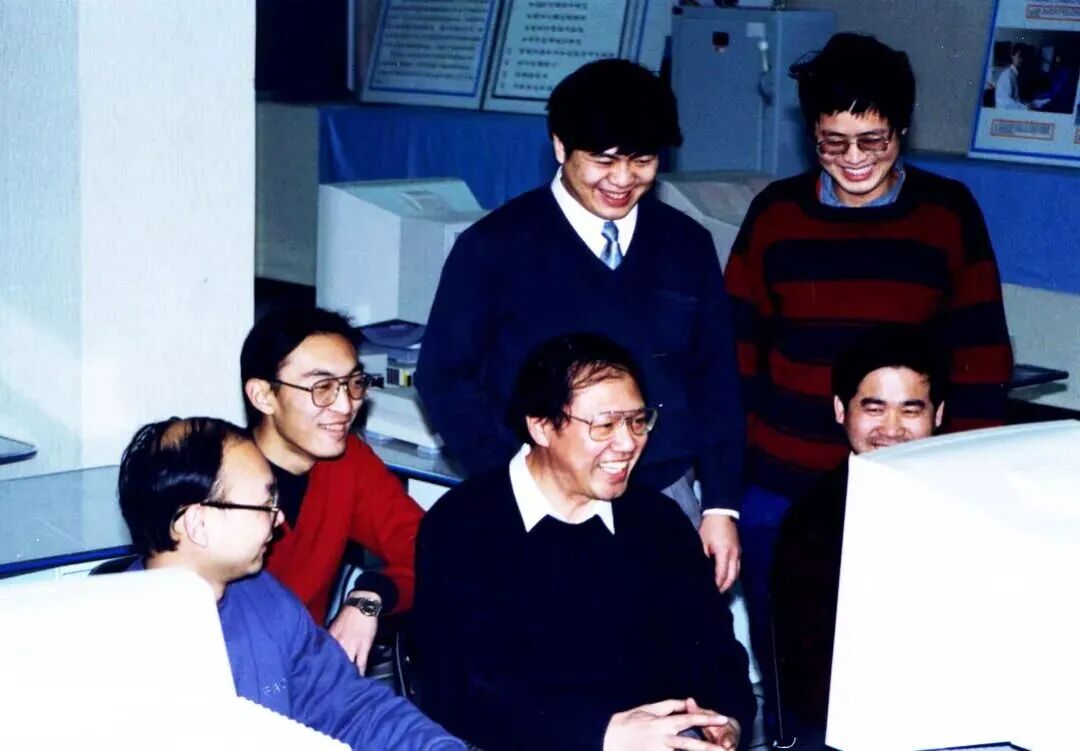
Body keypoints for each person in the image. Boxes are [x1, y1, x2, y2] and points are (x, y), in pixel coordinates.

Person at [723, 32, 1012, 739]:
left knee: (902, 678)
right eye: (833, 142)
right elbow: (734, 358)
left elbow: (981, 361)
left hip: (909, 492)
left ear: (901, 129)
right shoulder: (777, 215)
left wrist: (962, 483)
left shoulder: (947, 214)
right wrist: (732, 484)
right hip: (784, 488)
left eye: (872, 141)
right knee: (793, 679)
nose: (853, 159)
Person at [416, 58, 745, 593]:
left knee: (670, 638)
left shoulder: (686, 244)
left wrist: (721, 506)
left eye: (642, 161)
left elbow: (717, 380)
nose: (623, 180)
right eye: (604, 160)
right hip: (541, 497)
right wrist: (512, 477)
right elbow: (444, 375)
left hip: (662, 490)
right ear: (560, 147)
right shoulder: (495, 247)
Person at [413, 333, 756, 751]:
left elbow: (715, 650)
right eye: (605, 425)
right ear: (541, 426)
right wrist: (602, 734)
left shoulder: (657, 522)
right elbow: (457, 693)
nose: (628, 443)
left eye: (637, 421)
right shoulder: (463, 527)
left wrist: (725, 719)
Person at [117, 417, 464, 750]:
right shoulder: (119, 643)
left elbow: (351, 709)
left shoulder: (264, 597)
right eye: (264, 505)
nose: (278, 517)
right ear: (197, 524)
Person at [770, 326, 946, 749]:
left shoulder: (964, 502)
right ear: (840, 410)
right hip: (852, 723)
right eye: (874, 408)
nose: (892, 428)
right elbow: (807, 675)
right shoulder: (809, 522)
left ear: (938, 414)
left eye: (911, 410)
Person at [241, 307, 425, 672]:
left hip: (307, 677)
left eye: (353, 383)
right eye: (322, 387)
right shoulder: (217, 481)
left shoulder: (346, 462)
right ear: (263, 396)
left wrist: (369, 597)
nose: (345, 405)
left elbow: (432, 549)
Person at [995, 42, 1030, 110]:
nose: (1021, 59)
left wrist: (1026, 104)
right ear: (1013, 56)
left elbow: (1017, 98)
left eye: (1024, 57)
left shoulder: (1019, 74)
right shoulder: (1006, 75)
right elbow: (1005, 102)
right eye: (1019, 56)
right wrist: (1025, 108)